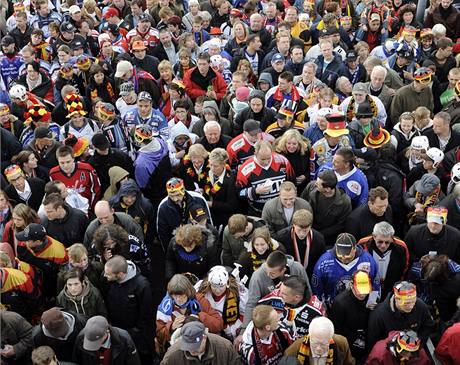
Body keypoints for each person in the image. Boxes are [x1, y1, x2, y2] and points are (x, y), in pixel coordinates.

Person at [103, 255, 155, 365]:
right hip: (115, 330)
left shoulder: (142, 285)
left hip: (135, 334)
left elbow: (146, 314)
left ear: (120, 274)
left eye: (108, 274)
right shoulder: (108, 280)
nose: (105, 276)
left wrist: (135, 332)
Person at [241, 251, 309, 333]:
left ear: (283, 270)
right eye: (266, 271)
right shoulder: (257, 276)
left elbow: (307, 291)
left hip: (297, 311)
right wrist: (244, 329)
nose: (268, 275)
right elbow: (252, 303)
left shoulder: (297, 268)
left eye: (272, 274)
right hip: (272, 316)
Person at [156, 274, 224, 353]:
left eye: (182, 296)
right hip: (179, 349)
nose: (178, 299)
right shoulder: (165, 307)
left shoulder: (199, 300)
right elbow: (159, 335)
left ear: (188, 293)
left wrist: (200, 317)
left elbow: (219, 324)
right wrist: (171, 327)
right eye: (175, 296)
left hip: (201, 345)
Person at [312, 232, 380, 308]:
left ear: (354, 248)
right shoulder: (324, 262)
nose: (344, 258)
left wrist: (372, 301)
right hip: (332, 306)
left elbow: (375, 283)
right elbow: (317, 287)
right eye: (340, 257)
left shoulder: (368, 261)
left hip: (359, 307)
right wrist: (321, 306)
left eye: (348, 257)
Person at [367, 281, 435, 351]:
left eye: (413, 301)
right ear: (396, 298)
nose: (411, 306)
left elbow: (428, 326)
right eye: (406, 303)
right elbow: (373, 343)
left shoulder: (420, 305)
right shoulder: (379, 315)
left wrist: (416, 343)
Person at [236, 140, 295, 216]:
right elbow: (239, 193)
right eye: (263, 159)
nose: (266, 162)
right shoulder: (245, 169)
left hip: (282, 210)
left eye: (269, 158)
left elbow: (292, 183)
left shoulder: (283, 161)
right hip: (258, 212)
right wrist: (255, 191)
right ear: (255, 154)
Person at [259, 275, 326, 338]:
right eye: (280, 290)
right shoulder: (274, 297)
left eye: (284, 294)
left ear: (296, 297)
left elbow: (322, 335)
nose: (279, 294)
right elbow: (258, 311)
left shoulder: (316, 312)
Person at [156, 177, 212, 251]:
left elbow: (209, 224)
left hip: (199, 243)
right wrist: (169, 253)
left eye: (178, 195)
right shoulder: (163, 207)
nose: (175, 199)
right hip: (177, 246)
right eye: (171, 196)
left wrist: (208, 248)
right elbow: (163, 234)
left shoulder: (199, 199)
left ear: (183, 190)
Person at [15, 223, 68, 299]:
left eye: (27, 240)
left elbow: (61, 278)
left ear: (38, 241)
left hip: (48, 288)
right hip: (27, 282)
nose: (23, 241)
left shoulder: (59, 254)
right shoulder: (22, 244)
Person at [358, 222, 409, 298]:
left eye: (387, 242)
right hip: (368, 286)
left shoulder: (401, 247)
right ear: (374, 236)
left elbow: (405, 268)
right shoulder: (362, 244)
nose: (383, 246)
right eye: (380, 242)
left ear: (392, 238)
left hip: (390, 287)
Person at [196, 265, 248, 340]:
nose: (217, 290)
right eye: (214, 286)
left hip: (232, 329)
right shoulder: (200, 289)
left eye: (221, 286)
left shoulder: (238, 291)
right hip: (209, 330)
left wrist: (233, 330)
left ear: (227, 283)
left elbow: (245, 314)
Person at [301, 169, 352, 245]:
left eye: (318, 184)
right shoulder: (311, 187)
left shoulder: (344, 202)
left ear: (328, 189)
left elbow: (341, 225)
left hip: (327, 239)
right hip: (307, 232)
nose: (315, 184)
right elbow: (302, 204)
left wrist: (319, 234)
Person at [330, 270, 372, 361]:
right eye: (359, 290)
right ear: (352, 285)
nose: (363, 294)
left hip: (365, 338)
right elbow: (337, 330)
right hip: (348, 344)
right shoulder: (340, 303)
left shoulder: (369, 297)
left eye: (365, 290)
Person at [161, 319, 243, 365]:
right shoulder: (172, 355)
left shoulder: (225, 347)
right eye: (188, 345)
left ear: (204, 337)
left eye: (195, 345)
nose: (192, 349)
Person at [274, 209, 326, 279]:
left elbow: (321, 260)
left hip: (311, 274)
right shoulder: (282, 237)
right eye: (298, 230)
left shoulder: (318, 239)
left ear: (310, 226)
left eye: (305, 231)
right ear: (293, 225)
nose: (301, 234)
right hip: (289, 274)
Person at [284, 316, 355, 365]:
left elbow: (349, 363)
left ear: (330, 338)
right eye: (314, 343)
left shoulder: (341, 343)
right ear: (309, 335)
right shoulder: (295, 349)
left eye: (323, 344)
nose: (318, 348)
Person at [72, 315, 141, 365]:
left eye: (97, 340)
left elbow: (133, 362)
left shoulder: (124, 339)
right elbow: (77, 360)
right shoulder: (81, 338)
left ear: (107, 332)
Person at [49, 145, 101, 210]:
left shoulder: (87, 169)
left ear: (73, 159)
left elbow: (96, 190)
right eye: (62, 163)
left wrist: (92, 208)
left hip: (87, 209)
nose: (65, 165)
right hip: (67, 211)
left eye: (68, 162)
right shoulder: (53, 174)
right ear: (57, 161)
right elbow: (55, 196)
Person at [366, 330, 431, 365]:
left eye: (412, 353)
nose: (407, 358)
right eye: (404, 353)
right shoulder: (379, 353)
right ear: (396, 346)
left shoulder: (419, 352)